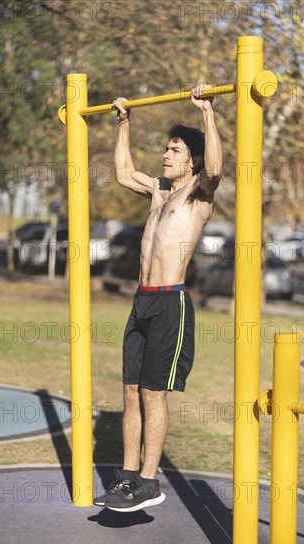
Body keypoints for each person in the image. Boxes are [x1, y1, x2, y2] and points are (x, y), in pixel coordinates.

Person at [94, 83, 223, 512]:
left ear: (193, 160)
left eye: (174, 150)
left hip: (170, 303)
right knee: (130, 391)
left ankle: (150, 482)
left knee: (153, 393)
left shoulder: (198, 197)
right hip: (141, 300)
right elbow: (122, 173)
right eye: (166, 149)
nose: (166, 156)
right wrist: (123, 123)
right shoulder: (158, 192)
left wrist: (206, 111)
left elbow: (218, 169)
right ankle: (129, 478)